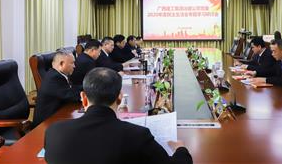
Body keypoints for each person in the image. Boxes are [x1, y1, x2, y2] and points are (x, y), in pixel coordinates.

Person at [44, 68, 193, 164]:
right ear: (120, 98)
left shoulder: (54, 131)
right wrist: (181, 149)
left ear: (83, 98)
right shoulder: (137, 135)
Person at [33, 50, 81, 126]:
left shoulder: (57, 74)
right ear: (62, 64)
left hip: (57, 116)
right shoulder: (54, 78)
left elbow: (71, 90)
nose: (74, 66)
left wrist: (86, 87)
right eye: (72, 63)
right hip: (45, 124)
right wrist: (90, 96)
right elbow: (70, 96)